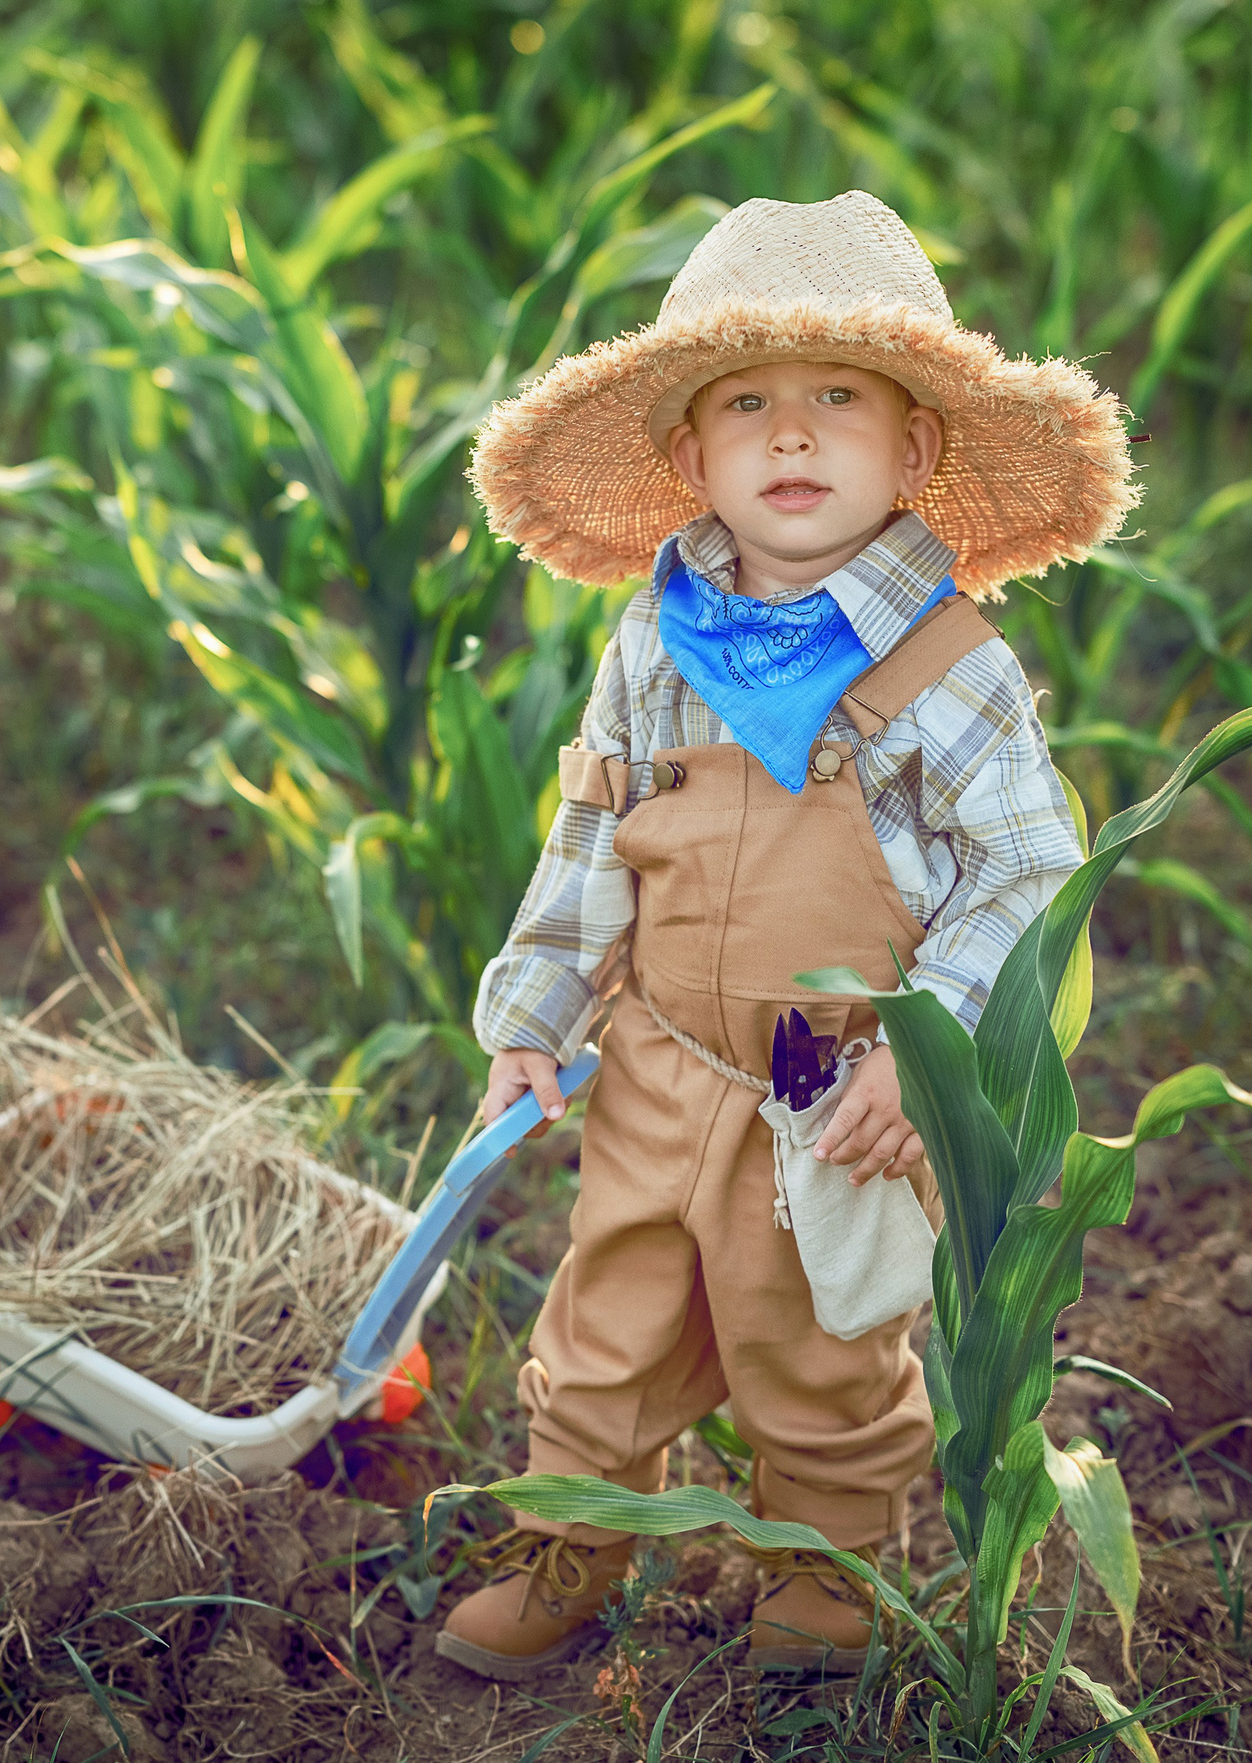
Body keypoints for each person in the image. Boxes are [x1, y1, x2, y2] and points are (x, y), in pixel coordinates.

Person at [436, 190, 1138, 1681]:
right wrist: (533, 1021)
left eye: (839, 400)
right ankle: (573, 1540)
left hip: (841, 1099)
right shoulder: (656, 639)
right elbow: (591, 839)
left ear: (915, 448)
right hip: (660, 1060)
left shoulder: (953, 667)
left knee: (819, 1341)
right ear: (691, 456)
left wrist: (924, 1052)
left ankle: (822, 1571)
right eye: (748, 403)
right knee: (607, 1316)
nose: (795, 438)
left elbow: (1026, 871)